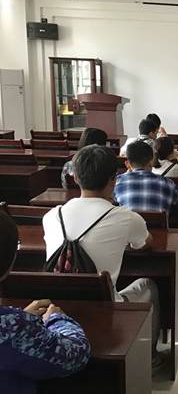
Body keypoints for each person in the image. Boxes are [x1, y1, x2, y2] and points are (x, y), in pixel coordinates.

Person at [42, 145, 163, 366]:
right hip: (105, 307)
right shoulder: (126, 217)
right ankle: (152, 358)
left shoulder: (51, 216)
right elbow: (145, 243)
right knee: (149, 285)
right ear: (113, 180)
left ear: (75, 177)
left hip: (57, 307)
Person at [0, 211, 91, 393]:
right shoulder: (11, 327)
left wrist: (21, 318)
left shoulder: (11, 323)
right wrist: (56, 319)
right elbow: (76, 354)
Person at [115, 141, 178, 212]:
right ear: (151, 162)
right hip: (159, 224)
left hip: (128, 224)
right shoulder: (165, 183)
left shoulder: (117, 182)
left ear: (127, 164)